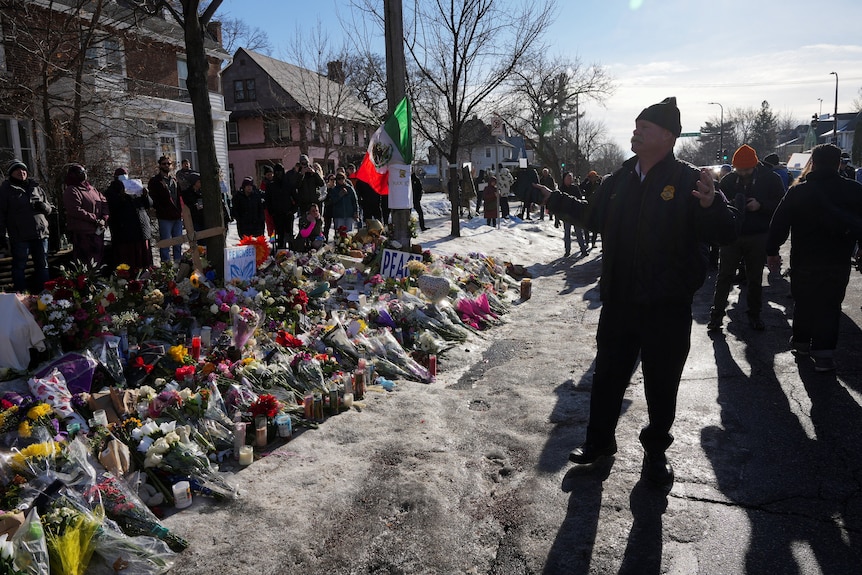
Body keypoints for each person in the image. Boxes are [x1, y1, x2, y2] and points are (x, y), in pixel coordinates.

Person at [539, 97, 737, 485]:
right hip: (620, 301)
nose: (635, 132)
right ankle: (599, 443)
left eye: (643, 128)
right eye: (635, 126)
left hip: (667, 305)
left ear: (667, 136)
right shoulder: (617, 181)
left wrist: (713, 206)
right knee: (608, 375)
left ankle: (656, 450)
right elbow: (591, 216)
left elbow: (727, 230)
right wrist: (552, 198)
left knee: (662, 383)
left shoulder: (689, 180)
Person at [767, 143, 862, 373]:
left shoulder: (798, 191)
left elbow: (778, 224)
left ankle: (801, 344)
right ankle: (824, 355)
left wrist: (772, 252)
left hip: (804, 260)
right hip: (838, 259)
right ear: (839, 163)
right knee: (830, 305)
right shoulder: (854, 190)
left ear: (814, 162)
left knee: (804, 301)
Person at [707, 144, 785, 332]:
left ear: (755, 165)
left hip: (758, 235)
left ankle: (755, 315)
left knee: (755, 277)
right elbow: (718, 205)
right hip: (732, 235)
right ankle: (716, 316)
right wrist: (731, 206)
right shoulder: (728, 180)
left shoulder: (770, 179)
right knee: (724, 276)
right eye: (738, 170)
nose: (742, 173)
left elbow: (782, 206)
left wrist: (761, 205)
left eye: (746, 170)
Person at [0, 160, 53, 293]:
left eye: (23, 170)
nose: (21, 172)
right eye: (17, 170)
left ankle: (45, 295)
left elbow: (50, 208)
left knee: (43, 266)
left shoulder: (36, 187)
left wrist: (44, 206)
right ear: (11, 174)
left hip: (40, 234)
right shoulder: (6, 190)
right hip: (20, 236)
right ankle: (21, 295)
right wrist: (2, 235)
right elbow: (1, 215)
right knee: (19, 266)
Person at [104, 167, 153, 273]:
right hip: (125, 233)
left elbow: (148, 205)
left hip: (141, 230)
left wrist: (145, 195)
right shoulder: (110, 192)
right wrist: (121, 197)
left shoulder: (134, 187)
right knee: (128, 263)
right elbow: (112, 208)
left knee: (144, 262)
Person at [63, 163, 109, 268]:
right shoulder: (71, 190)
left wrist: (104, 217)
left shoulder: (92, 189)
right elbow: (75, 210)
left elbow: (104, 202)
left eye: (84, 172)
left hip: (97, 232)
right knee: (85, 264)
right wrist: (95, 219)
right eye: (80, 173)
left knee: (98, 262)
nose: (83, 174)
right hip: (83, 234)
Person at [147, 156, 184, 263]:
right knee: (166, 243)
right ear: (160, 165)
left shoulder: (174, 180)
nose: (166, 165)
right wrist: (160, 209)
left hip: (177, 216)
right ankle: (166, 266)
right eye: (164, 164)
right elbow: (153, 199)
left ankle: (178, 264)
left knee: (178, 242)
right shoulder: (155, 181)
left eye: (168, 163)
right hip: (165, 217)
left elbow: (180, 197)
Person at [266, 163, 297, 250]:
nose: (278, 174)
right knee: (280, 236)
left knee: (289, 235)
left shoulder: (288, 184)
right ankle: (280, 254)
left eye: (280, 172)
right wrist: (271, 212)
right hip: (277, 214)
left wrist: (293, 210)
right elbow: (268, 201)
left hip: (288, 213)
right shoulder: (271, 186)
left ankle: (291, 253)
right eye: (277, 172)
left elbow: (296, 198)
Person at [558, 172, 588, 258]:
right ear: (564, 179)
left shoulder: (575, 188)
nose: (570, 179)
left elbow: (580, 199)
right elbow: (558, 203)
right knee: (567, 233)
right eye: (568, 178)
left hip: (575, 214)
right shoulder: (561, 189)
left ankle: (583, 250)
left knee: (579, 232)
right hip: (566, 215)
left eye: (571, 178)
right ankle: (567, 251)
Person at [295, 155, 325, 229]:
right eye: (303, 163)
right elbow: (296, 186)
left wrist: (314, 173)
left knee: (317, 224)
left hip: (315, 203)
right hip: (304, 204)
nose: (305, 165)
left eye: (306, 163)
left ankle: (316, 238)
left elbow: (321, 183)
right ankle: (305, 238)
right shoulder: (298, 173)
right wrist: (302, 174)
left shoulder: (313, 173)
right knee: (305, 224)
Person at [580, 171, 602, 248]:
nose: (592, 179)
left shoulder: (598, 184)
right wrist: (586, 180)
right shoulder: (587, 184)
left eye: (594, 177)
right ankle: (587, 242)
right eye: (591, 177)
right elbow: (580, 187)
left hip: (596, 207)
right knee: (586, 225)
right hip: (588, 206)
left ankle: (593, 242)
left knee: (595, 226)